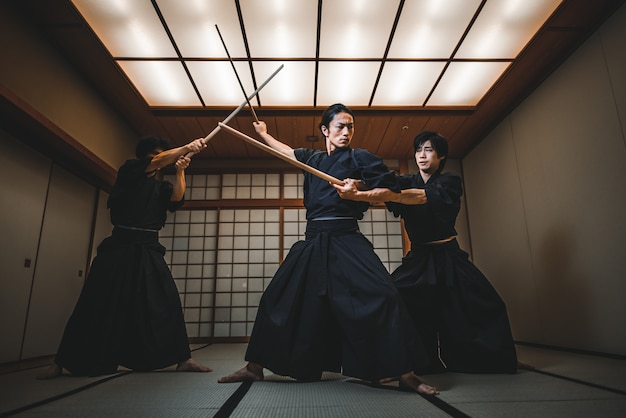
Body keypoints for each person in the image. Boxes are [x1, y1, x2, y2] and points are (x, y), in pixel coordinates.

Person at [217, 104, 438, 395]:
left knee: (385, 295)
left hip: (346, 236)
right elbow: (285, 152)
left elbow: (389, 190)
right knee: (276, 298)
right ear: (325, 130)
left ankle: (405, 372)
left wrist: (357, 192)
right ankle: (255, 367)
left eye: (350, 127)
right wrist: (263, 134)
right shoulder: (312, 158)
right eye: (339, 126)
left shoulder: (361, 158)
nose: (346, 132)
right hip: (313, 239)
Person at [333, 131, 518, 374]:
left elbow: (416, 197)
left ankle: (488, 360)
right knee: (394, 298)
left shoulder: (450, 182)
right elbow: (384, 185)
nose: (422, 155)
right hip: (419, 258)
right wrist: (354, 184)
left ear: (441, 156)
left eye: (428, 150)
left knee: (486, 303)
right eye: (419, 150)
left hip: (449, 255)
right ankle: (417, 361)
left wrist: (362, 194)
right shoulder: (407, 181)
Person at [37, 135, 212, 379]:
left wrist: (181, 172)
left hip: (149, 247)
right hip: (119, 246)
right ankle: (61, 362)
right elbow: (159, 161)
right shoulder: (130, 170)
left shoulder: (161, 186)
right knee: (94, 302)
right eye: (156, 157)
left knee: (166, 301)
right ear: (146, 158)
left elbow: (175, 200)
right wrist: (185, 147)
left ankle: (183, 358)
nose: (159, 161)